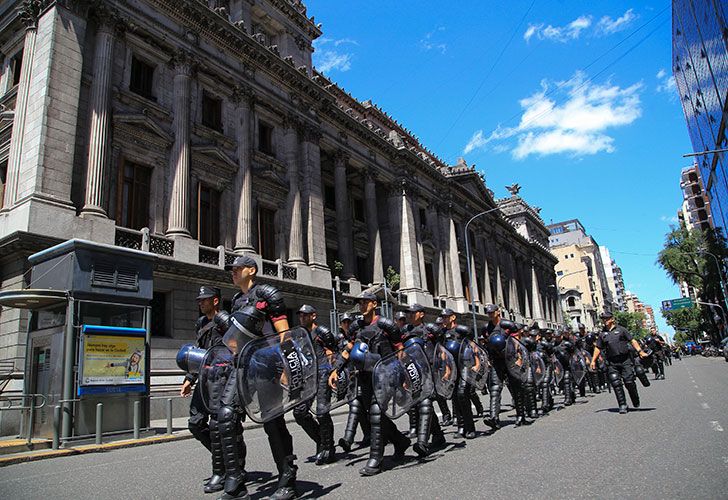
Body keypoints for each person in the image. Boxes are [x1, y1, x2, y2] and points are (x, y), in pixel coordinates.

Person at [217, 255, 299, 500]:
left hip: (266, 363)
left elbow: (284, 334)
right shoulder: (235, 300)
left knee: (273, 422)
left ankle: (287, 479)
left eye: (237, 269)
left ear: (251, 270)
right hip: (241, 366)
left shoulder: (266, 294)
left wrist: (288, 368)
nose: (232, 272)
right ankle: (236, 481)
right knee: (226, 415)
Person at [329, 292, 409, 476]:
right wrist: (337, 369)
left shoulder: (386, 325)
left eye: (365, 302)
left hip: (384, 376)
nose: (362, 305)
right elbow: (348, 350)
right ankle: (400, 441)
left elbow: (401, 352)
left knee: (375, 413)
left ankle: (375, 460)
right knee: (376, 415)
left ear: (374, 304)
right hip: (364, 377)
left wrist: (403, 377)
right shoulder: (356, 327)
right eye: (360, 303)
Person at [179, 286, 230, 494]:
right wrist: (189, 378)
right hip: (203, 380)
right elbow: (199, 351)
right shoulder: (201, 323)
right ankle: (227, 462)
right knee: (195, 423)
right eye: (199, 300)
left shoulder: (225, 321)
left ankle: (222, 471)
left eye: (204, 300)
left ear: (215, 301)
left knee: (221, 428)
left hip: (222, 380)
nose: (200, 303)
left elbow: (236, 348)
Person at [292, 305, 338, 465]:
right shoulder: (299, 335)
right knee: (299, 412)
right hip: (307, 376)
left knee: (322, 412)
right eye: (300, 316)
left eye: (305, 315)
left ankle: (328, 448)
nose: (302, 318)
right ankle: (321, 440)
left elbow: (334, 352)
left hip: (323, 373)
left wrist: (334, 372)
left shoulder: (322, 332)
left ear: (313, 316)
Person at [401, 303, 447, 456]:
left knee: (425, 403)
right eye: (408, 313)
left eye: (413, 313)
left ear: (421, 314)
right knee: (420, 405)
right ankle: (438, 436)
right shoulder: (405, 331)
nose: (409, 315)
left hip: (429, 370)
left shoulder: (430, 329)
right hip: (412, 371)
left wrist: (444, 368)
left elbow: (442, 349)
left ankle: (422, 442)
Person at [591, 311, 649, 414]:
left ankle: (635, 398)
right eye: (603, 319)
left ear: (612, 319)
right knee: (616, 383)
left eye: (607, 318)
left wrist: (640, 351)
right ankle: (622, 404)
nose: (605, 321)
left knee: (629, 382)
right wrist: (593, 360)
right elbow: (598, 348)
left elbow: (632, 341)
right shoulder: (602, 334)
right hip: (612, 362)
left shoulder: (621, 330)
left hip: (625, 360)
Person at [483, 304, 508, 431]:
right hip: (496, 361)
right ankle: (494, 418)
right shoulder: (486, 328)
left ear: (498, 312)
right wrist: (487, 359)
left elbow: (516, 343)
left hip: (509, 360)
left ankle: (521, 414)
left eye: (492, 312)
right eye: (488, 313)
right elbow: (486, 345)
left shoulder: (507, 325)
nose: (490, 315)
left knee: (516, 387)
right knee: (495, 388)